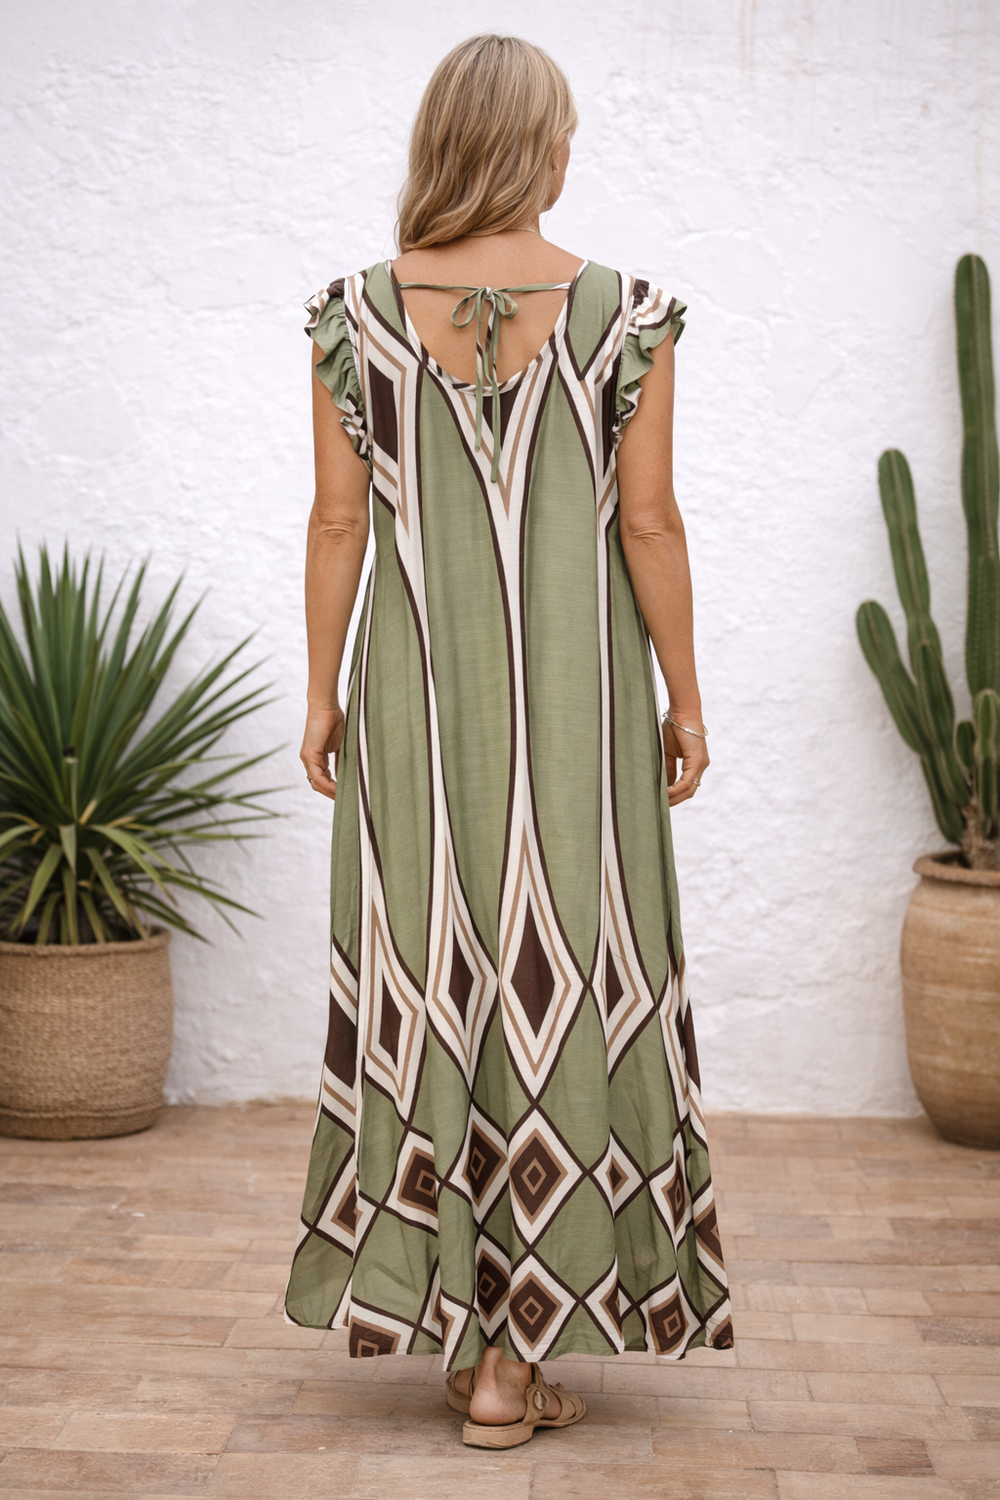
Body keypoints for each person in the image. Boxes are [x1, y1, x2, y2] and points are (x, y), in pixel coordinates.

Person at [285, 33, 732, 1451]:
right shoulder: (625, 314)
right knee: (566, 980)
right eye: (565, 134)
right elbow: (649, 524)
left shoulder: (354, 315)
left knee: (445, 979)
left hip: (417, 708)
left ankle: (471, 1337)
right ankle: (513, 1362)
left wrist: (321, 693)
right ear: (539, 146)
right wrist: (686, 699)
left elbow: (339, 524)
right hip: (581, 724)